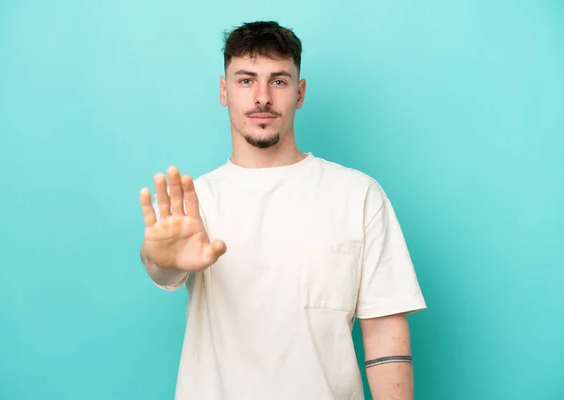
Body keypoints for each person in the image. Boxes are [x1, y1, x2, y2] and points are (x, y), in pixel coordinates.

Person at [139, 20, 426, 400]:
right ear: (224, 91)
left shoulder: (358, 195)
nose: (262, 97)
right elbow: (164, 267)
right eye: (245, 81)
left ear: (300, 92)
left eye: (278, 81)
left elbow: (385, 328)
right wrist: (161, 258)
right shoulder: (195, 202)